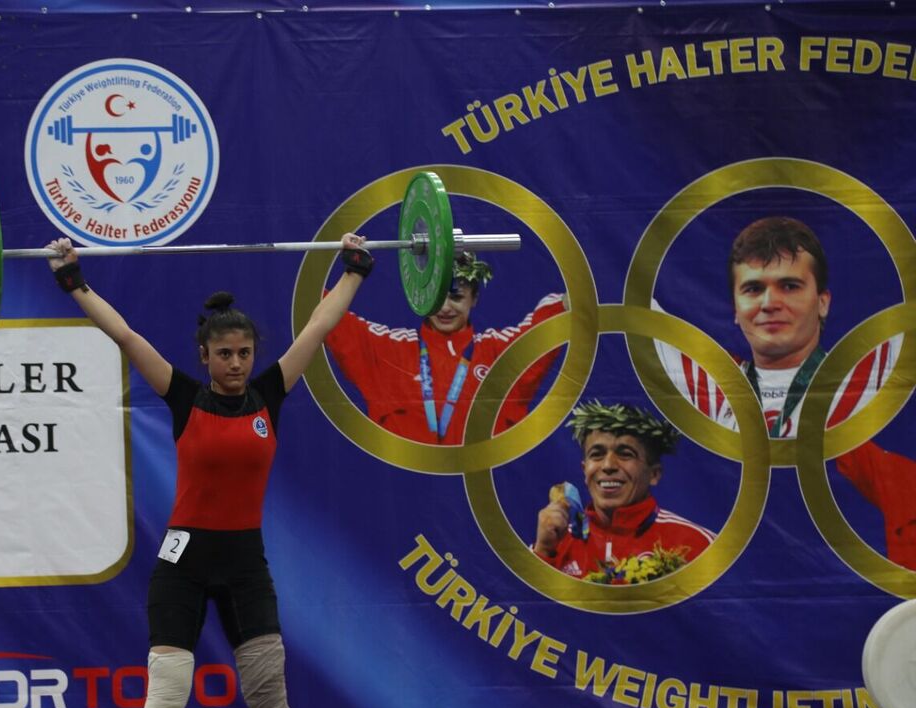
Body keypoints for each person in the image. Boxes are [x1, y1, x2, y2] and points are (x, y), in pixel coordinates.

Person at [45, 233, 374, 708]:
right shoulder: (183, 396)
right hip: (185, 561)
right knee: (169, 684)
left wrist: (354, 269)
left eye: (245, 353)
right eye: (225, 354)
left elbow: (318, 328)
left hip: (245, 563)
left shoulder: (269, 394)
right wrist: (73, 280)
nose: (237, 363)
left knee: (268, 688)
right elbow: (125, 336)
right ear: (204, 356)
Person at [655, 216, 915, 569]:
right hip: (734, 585)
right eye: (753, 289)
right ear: (735, 309)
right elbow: (634, 313)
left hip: (856, 587)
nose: (769, 303)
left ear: (823, 302)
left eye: (789, 286)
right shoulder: (714, 388)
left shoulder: (870, 376)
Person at [324, 250, 566, 444]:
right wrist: (353, 271)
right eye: (437, 297)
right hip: (403, 486)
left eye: (456, 297)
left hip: (479, 484)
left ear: (474, 298)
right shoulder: (388, 349)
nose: (445, 308)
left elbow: (561, 311)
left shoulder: (503, 352)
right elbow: (323, 313)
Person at [533, 401, 716, 581]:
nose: (608, 465)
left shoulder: (698, 546)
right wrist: (543, 551)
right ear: (584, 470)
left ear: (654, 474)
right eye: (597, 454)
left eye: (625, 454)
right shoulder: (555, 542)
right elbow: (527, 599)